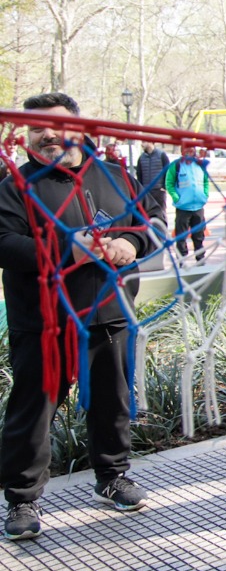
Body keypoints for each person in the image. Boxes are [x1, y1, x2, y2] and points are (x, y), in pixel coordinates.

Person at [0, 93, 159, 540]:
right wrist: (66, 249)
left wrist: (133, 243)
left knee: (112, 400)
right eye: (36, 129)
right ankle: (22, 499)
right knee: (33, 411)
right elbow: (4, 243)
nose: (47, 135)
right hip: (43, 321)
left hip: (108, 314)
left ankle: (112, 477)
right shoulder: (13, 185)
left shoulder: (114, 176)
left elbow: (147, 222)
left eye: (56, 127)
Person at [166, 146, 210, 262]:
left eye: (191, 149)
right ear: (182, 151)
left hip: (198, 207)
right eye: (187, 149)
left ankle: (200, 259)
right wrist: (177, 198)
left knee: (199, 236)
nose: (190, 152)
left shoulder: (200, 165)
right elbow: (169, 183)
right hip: (183, 207)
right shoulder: (176, 165)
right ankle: (181, 260)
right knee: (181, 236)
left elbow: (206, 181)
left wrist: (205, 195)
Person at [136, 140, 171, 229]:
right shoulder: (141, 158)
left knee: (161, 212)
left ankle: (163, 232)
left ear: (150, 142)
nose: (142, 144)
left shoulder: (161, 155)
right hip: (146, 191)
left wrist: (164, 187)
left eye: (144, 142)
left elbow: (168, 172)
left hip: (158, 190)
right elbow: (139, 175)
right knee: (147, 213)